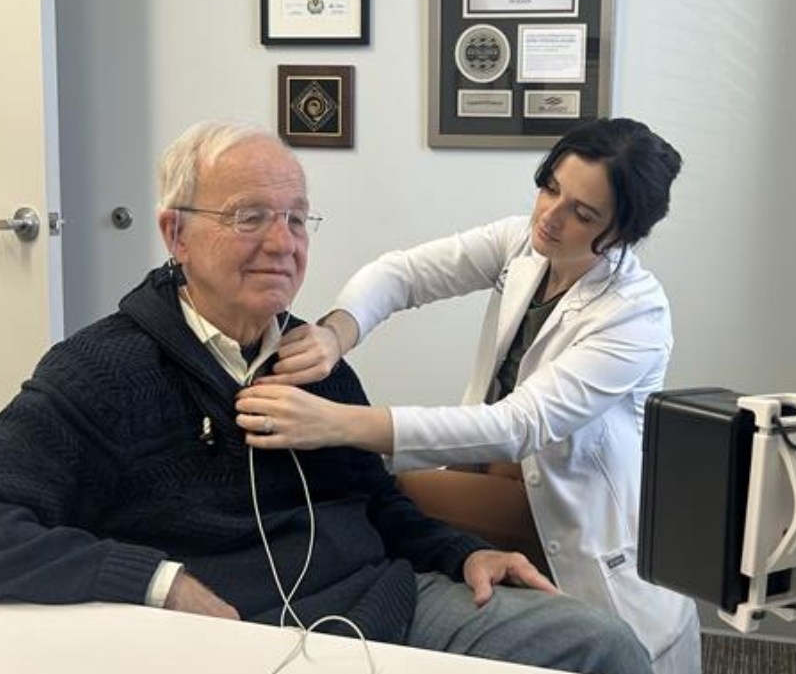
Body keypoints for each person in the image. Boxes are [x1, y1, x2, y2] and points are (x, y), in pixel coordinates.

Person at [0, 121, 654, 674]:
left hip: (386, 602)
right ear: (177, 235)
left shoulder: (308, 365)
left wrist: (460, 551)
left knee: (601, 643)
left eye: (294, 218)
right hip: (234, 635)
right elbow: (403, 275)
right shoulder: (103, 372)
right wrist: (156, 581)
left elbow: (385, 498)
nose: (282, 243)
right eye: (249, 217)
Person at [236, 117, 701, 674]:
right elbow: (402, 274)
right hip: (500, 477)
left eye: (583, 214)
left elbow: (519, 424)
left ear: (623, 232)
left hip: (575, 519)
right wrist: (337, 333)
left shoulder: (634, 314)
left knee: (385, 498)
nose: (550, 216)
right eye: (550, 187)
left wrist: (338, 423)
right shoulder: (524, 246)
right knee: (389, 502)